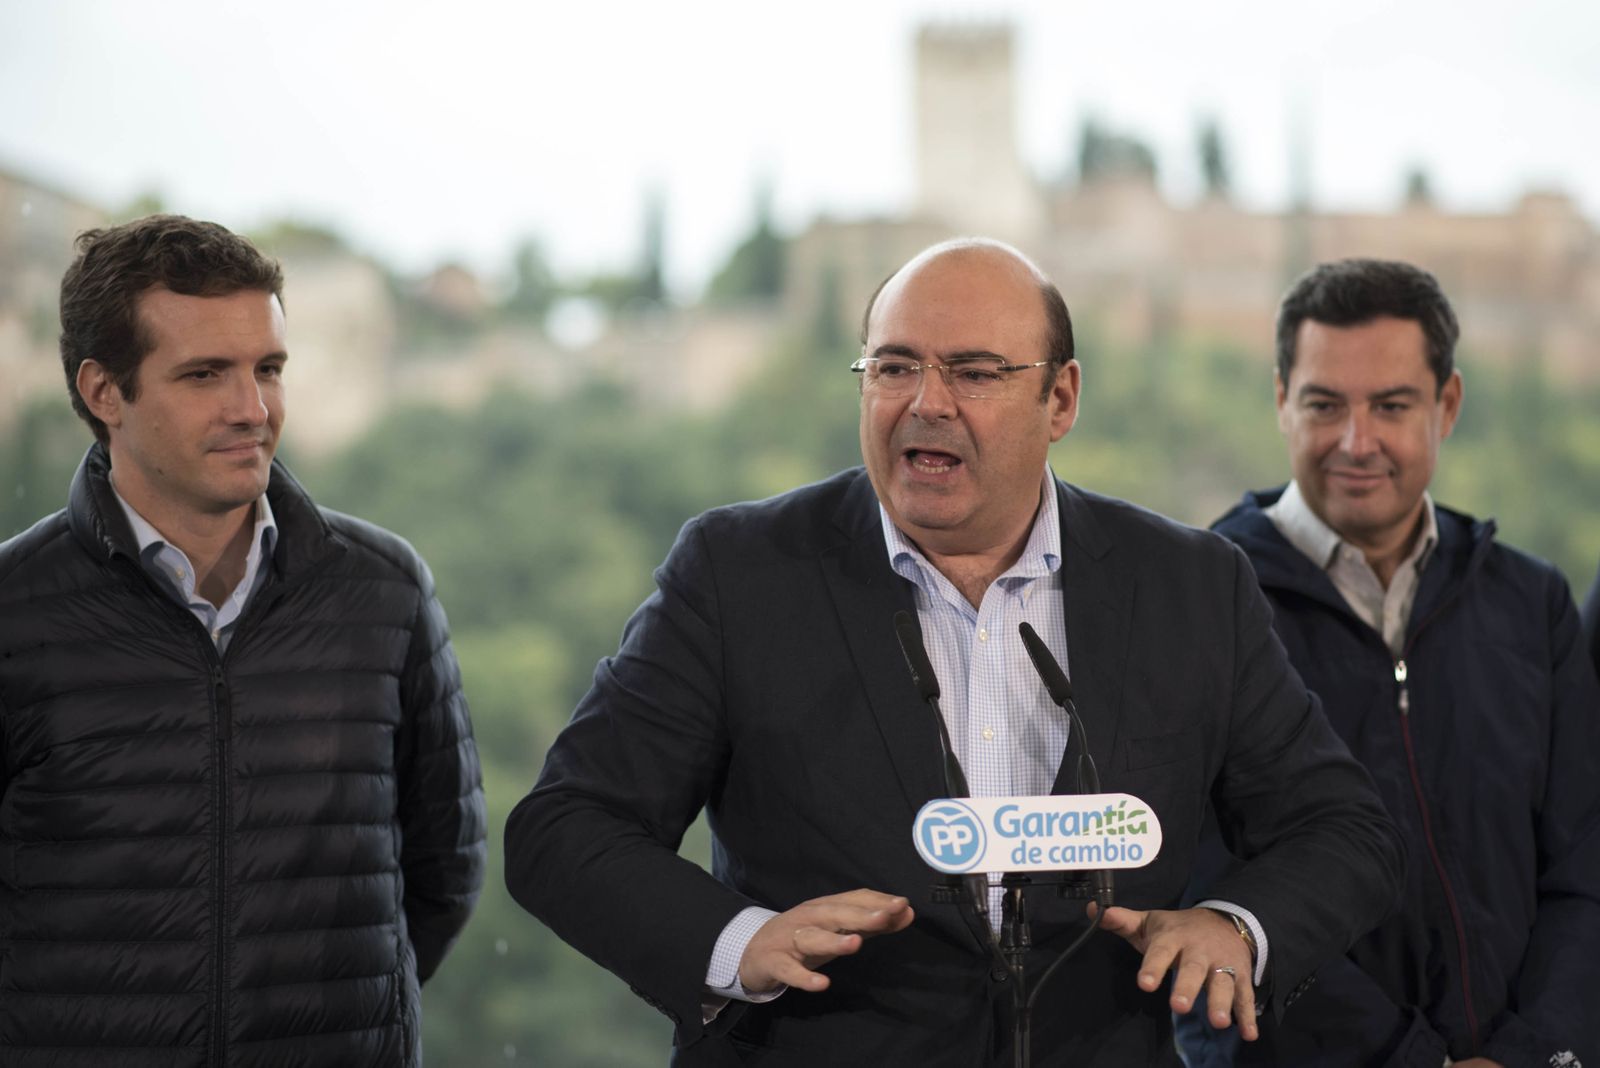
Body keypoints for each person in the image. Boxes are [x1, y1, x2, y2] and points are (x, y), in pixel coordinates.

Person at [504, 238, 1401, 1066]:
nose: (925, 402)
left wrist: (1237, 928)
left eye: (973, 372)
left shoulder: (1190, 586)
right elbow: (566, 829)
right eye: (894, 366)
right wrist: (740, 942)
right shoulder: (739, 574)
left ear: (1060, 399)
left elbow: (1341, 830)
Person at [0, 215, 486, 1066]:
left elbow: (444, 873)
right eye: (205, 375)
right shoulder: (13, 611)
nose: (252, 408)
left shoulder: (386, 591)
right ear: (105, 392)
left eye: (267, 369)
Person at [1184, 258, 1600, 1068]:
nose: (1356, 440)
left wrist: (1535, 1053)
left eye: (1392, 406)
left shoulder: (1530, 604)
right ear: (1281, 400)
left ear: (1447, 405)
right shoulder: (1201, 604)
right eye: (1325, 404)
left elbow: (1584, 869)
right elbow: (1208, 893)